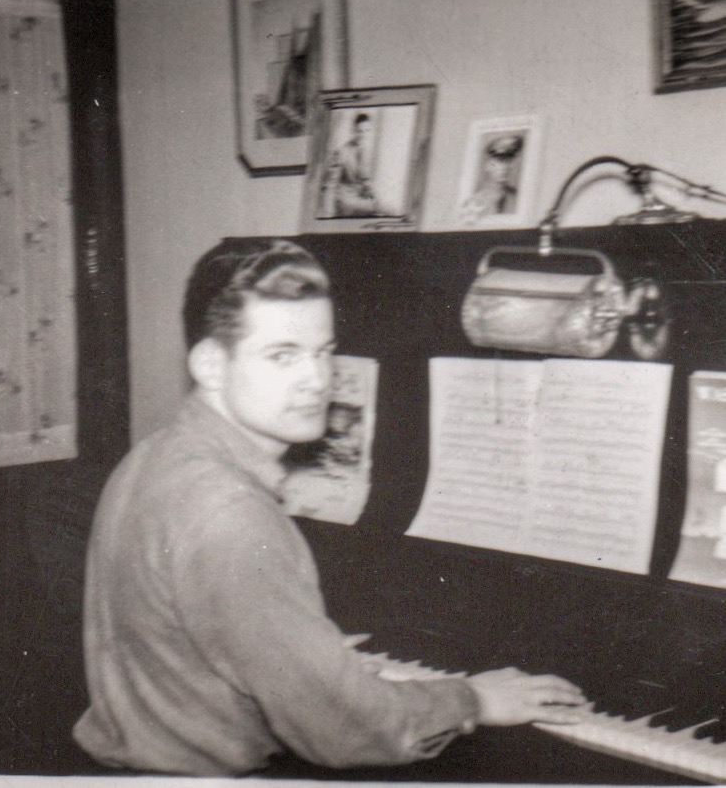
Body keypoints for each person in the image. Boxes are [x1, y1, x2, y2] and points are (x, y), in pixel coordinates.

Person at [72, 237, 585, 777]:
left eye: (324, 351)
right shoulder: (231, 513)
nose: (318, 380)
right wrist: (475, 700)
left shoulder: (152, 457)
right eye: (283, 356)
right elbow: (344, 730)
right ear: (210, 365)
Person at [318, 112, 379, 218]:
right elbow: (329, 185)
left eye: (367, 131)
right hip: (345, 201)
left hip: (360, 199)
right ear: (353, 131)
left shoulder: (367, 152)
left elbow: (365, 181)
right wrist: (327, 213)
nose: (363, 135)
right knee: (379, 210)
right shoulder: (342, 152)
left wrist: (373, 196)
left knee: (384, 210)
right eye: (360, 131)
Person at [459, 133, 523, 223]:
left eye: (508, 161)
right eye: (498, 161)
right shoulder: (475, 201)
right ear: (487, 165)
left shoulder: (517, 198)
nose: (504, 167)